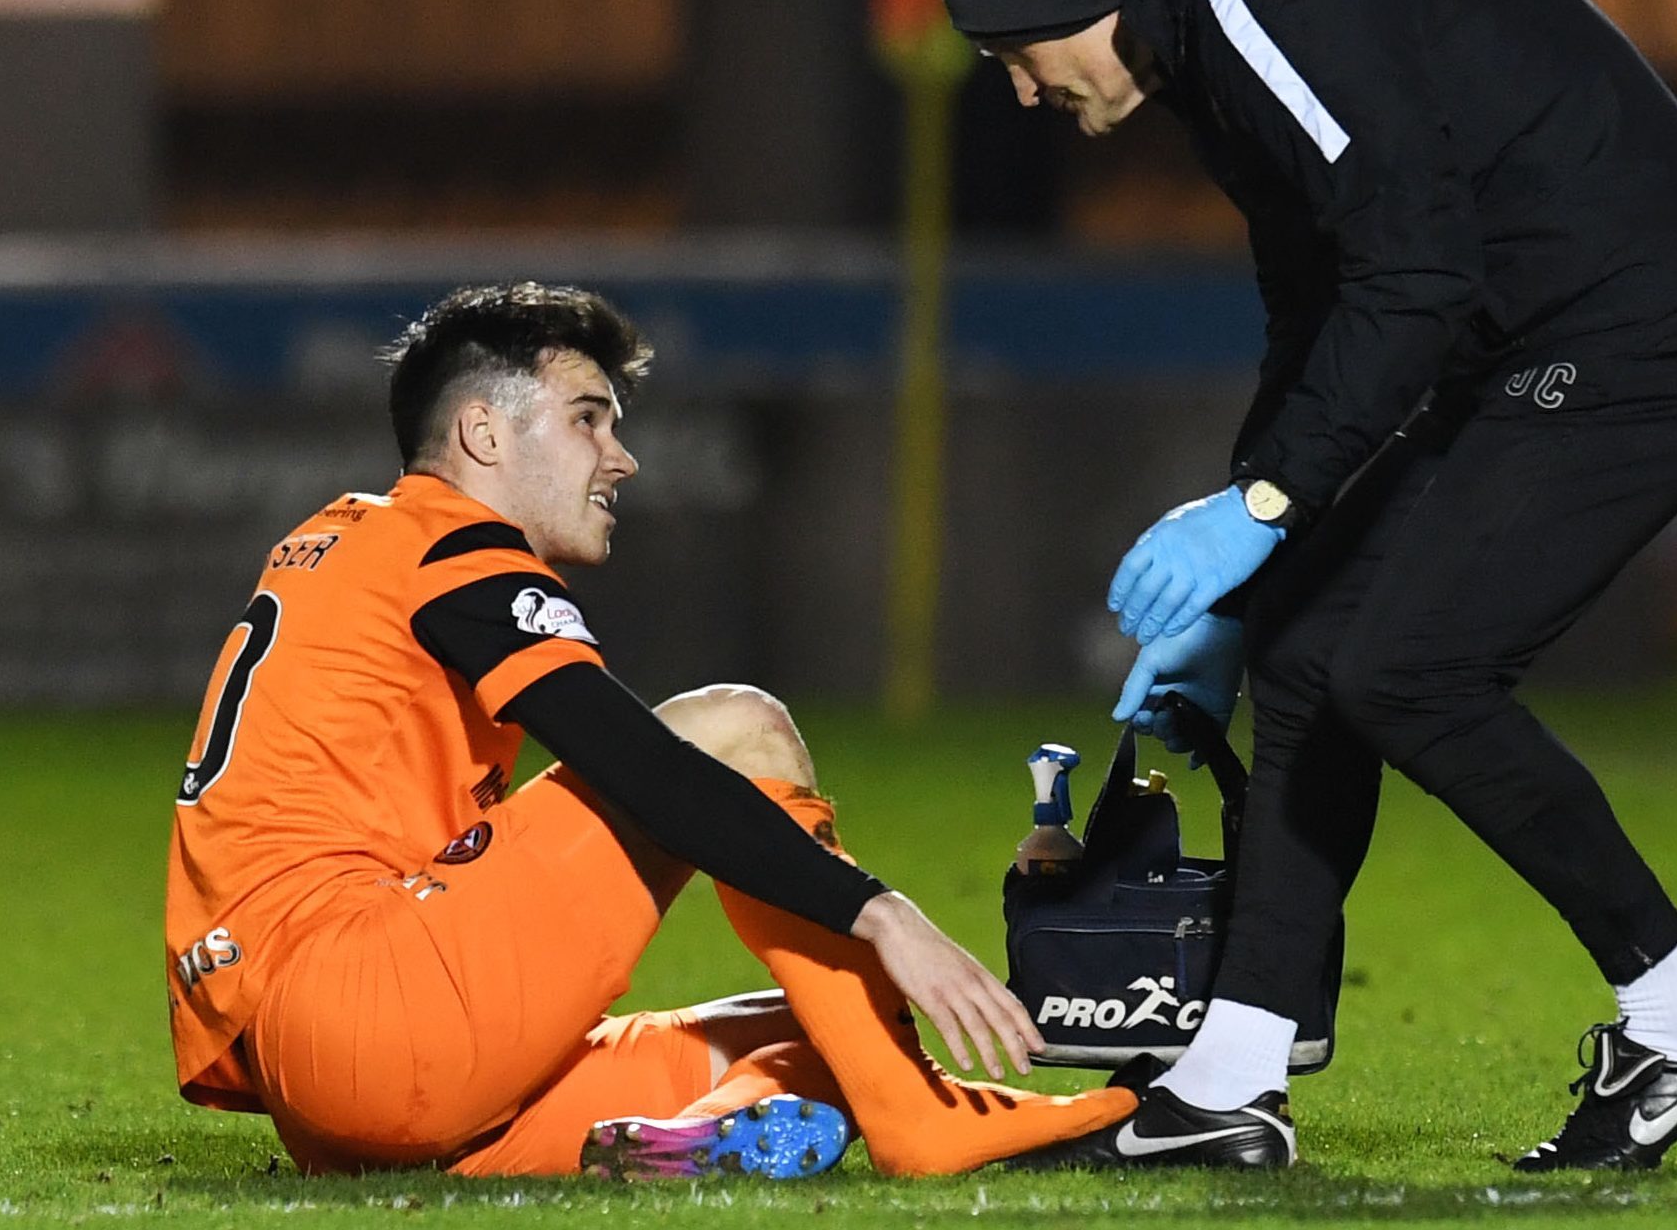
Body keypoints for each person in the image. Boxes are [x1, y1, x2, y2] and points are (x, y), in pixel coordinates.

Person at [943, 0, 1677, 1173]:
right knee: (1306, 658)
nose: (1026, 95)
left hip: (1649, 339)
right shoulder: (1207, 21)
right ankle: (1228, 1077)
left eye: (1015, 58)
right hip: (1538, 340)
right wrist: (1253, 564)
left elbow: (1411, 278)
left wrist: (1264, 508)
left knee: (1408, 674)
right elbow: (1317, 304)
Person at [164, 282, 1134, 1180]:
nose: (618, 455)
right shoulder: (452, 542)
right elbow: (638, 763)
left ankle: (702, 1128)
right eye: (587, 418)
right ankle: (924, 1124)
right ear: (482, 433)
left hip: (327, 1084)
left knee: (827, 1029)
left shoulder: (342, 538)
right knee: (736, 727)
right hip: (372, 1004)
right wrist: (877, 909)